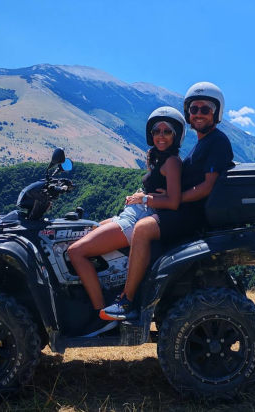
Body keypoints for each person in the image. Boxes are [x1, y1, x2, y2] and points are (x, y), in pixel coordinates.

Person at [101, 81, 234, 321]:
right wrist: (158, 198)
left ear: (216, 112)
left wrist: (169, 199)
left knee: (141, 229)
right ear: (188, 114)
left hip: (190, 214)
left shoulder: (217, 142)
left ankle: (127, 301)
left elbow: (207, 186)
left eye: (205, 109)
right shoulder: (204, 142)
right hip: (183, 210)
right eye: (194, 109)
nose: (199, 114)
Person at [66, 106, 185, 334]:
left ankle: (103, 316)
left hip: (138, 218)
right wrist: (141, 197)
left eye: (167, 131)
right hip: (132, 213)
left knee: (76, 251)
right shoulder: (158, 158)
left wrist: (144, 199)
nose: (160, 135)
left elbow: (173, 201)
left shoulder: (172, 162)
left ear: (176, 135)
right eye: (156, 131)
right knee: (84, 231)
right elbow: (159, 191)